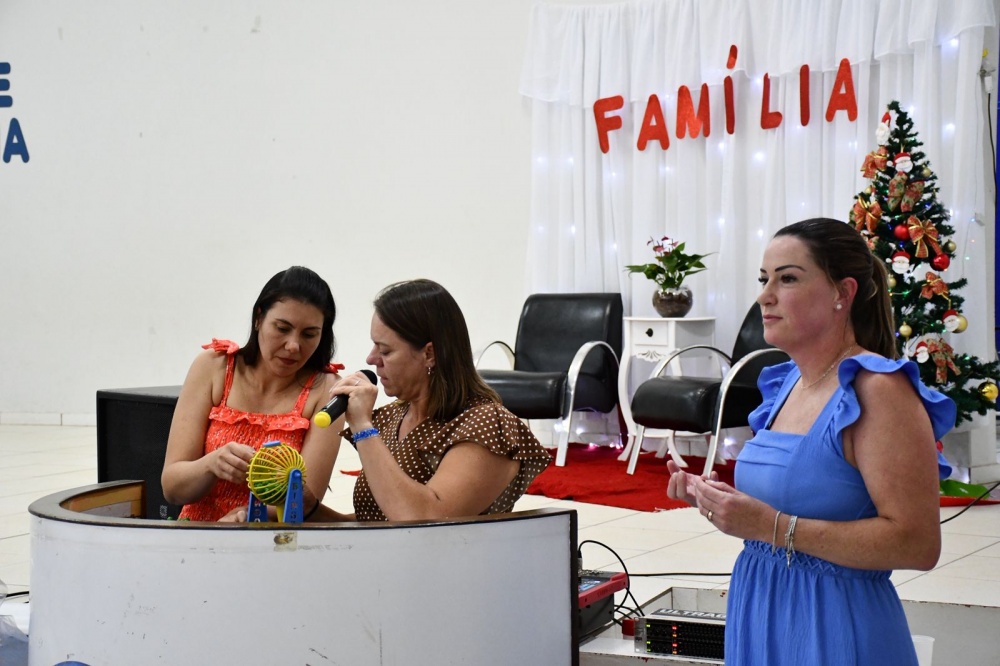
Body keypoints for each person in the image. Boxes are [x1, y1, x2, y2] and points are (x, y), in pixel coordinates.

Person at [666, 218, 955, 665]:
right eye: (764, 279)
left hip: (834, 626)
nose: (765, 296)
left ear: (843, 292)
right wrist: (719, 501)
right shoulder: (787, 383)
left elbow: (918, 544)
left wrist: (770, 526)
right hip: (763, 607)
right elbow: (797, 495)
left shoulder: (878, 390)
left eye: (787, 279)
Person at [299, 278, 551, 522]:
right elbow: (376, 522)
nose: (371, 359)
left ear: (429, 353)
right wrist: (310, 508)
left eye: (385, 350)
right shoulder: (391, 418)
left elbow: (425, 519)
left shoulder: (486, 424)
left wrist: (363, 427)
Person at [162, 266, 345, 522]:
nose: (293, 346)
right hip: (198, 535)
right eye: (282, 328)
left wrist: (247, 515)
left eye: (309, 334)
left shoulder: (326, 389)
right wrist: (211, 464)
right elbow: (172, 488)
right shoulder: (213, 367)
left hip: (276, 541)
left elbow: (305, 504)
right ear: (258, 318)